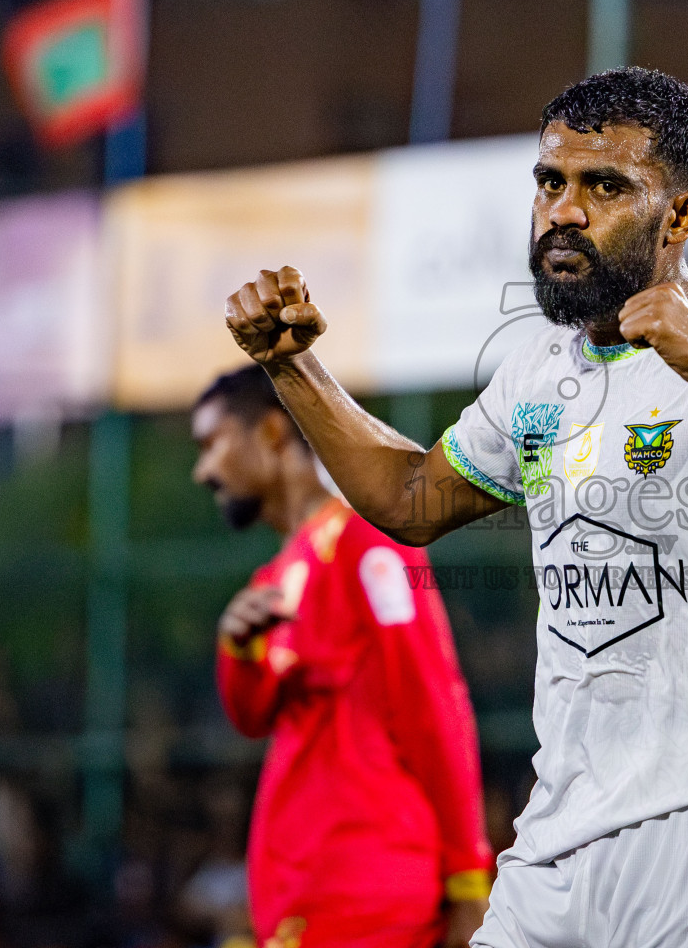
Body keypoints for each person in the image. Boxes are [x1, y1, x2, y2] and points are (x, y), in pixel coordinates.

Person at [223, 67, 688, 947]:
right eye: (551, 183)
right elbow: (410, 500)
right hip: (554, 842)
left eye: (603, 186)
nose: (563, 212)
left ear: (680, 217)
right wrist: (293, 368)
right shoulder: (540, 371)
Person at [192, 365, 493, 948]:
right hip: (306, 907)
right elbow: (252, 718)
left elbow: (431, 699)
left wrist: (468, 879)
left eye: (212, 443)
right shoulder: (277, 574)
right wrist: (238, 652)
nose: (204, 471)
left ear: (274, 436)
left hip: (373, 901)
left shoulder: (367, 539)